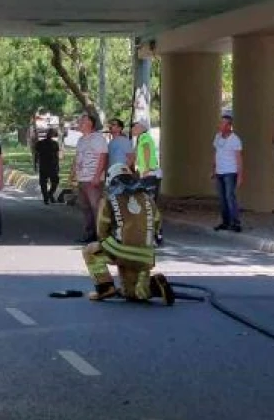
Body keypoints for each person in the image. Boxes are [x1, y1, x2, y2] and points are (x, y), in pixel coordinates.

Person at [81, 163, 174, 305]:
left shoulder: (109, 198)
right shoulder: (147, 198)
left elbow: (102, 231)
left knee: (90, 251)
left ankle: (104, 287)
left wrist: (115, 247)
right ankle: (153, 285)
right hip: (146, 255)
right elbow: (157, 225)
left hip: (121, 251)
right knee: (132, 294)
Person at [70, 112, 108, 243]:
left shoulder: (98, 139)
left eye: (82, 121)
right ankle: (89, 234)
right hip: (82, 178)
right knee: (85, 208)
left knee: (96, 207)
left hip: (93, 179)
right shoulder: (81, 140)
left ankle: (100, 236)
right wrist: (73, 173)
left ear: (90, 124)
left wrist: (97, 176)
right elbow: (77, 158)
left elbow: (103, 157)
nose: (80, 124)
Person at [212, 112, 244, 233]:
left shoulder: (235, 140)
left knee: (230, 197)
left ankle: (235, 222)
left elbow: (239, 158)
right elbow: (215, 154)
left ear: (229, 126)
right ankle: (225, 222)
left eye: (222, 123)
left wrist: (240, 175)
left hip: (230, 172)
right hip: (219, 172)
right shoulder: (217, 137)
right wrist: (213, 169)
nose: (220, 125)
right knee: (222, 198)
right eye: (220, 123)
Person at [35, 129, 61, 204]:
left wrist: (36, 164)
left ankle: (48, 196)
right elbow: (37, 154)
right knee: (48, 182)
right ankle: (48, 196)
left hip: (48, 165)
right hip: (48, 165)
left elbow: (56, 156)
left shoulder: (53, 143)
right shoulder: (41, 143)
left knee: (49, 182)